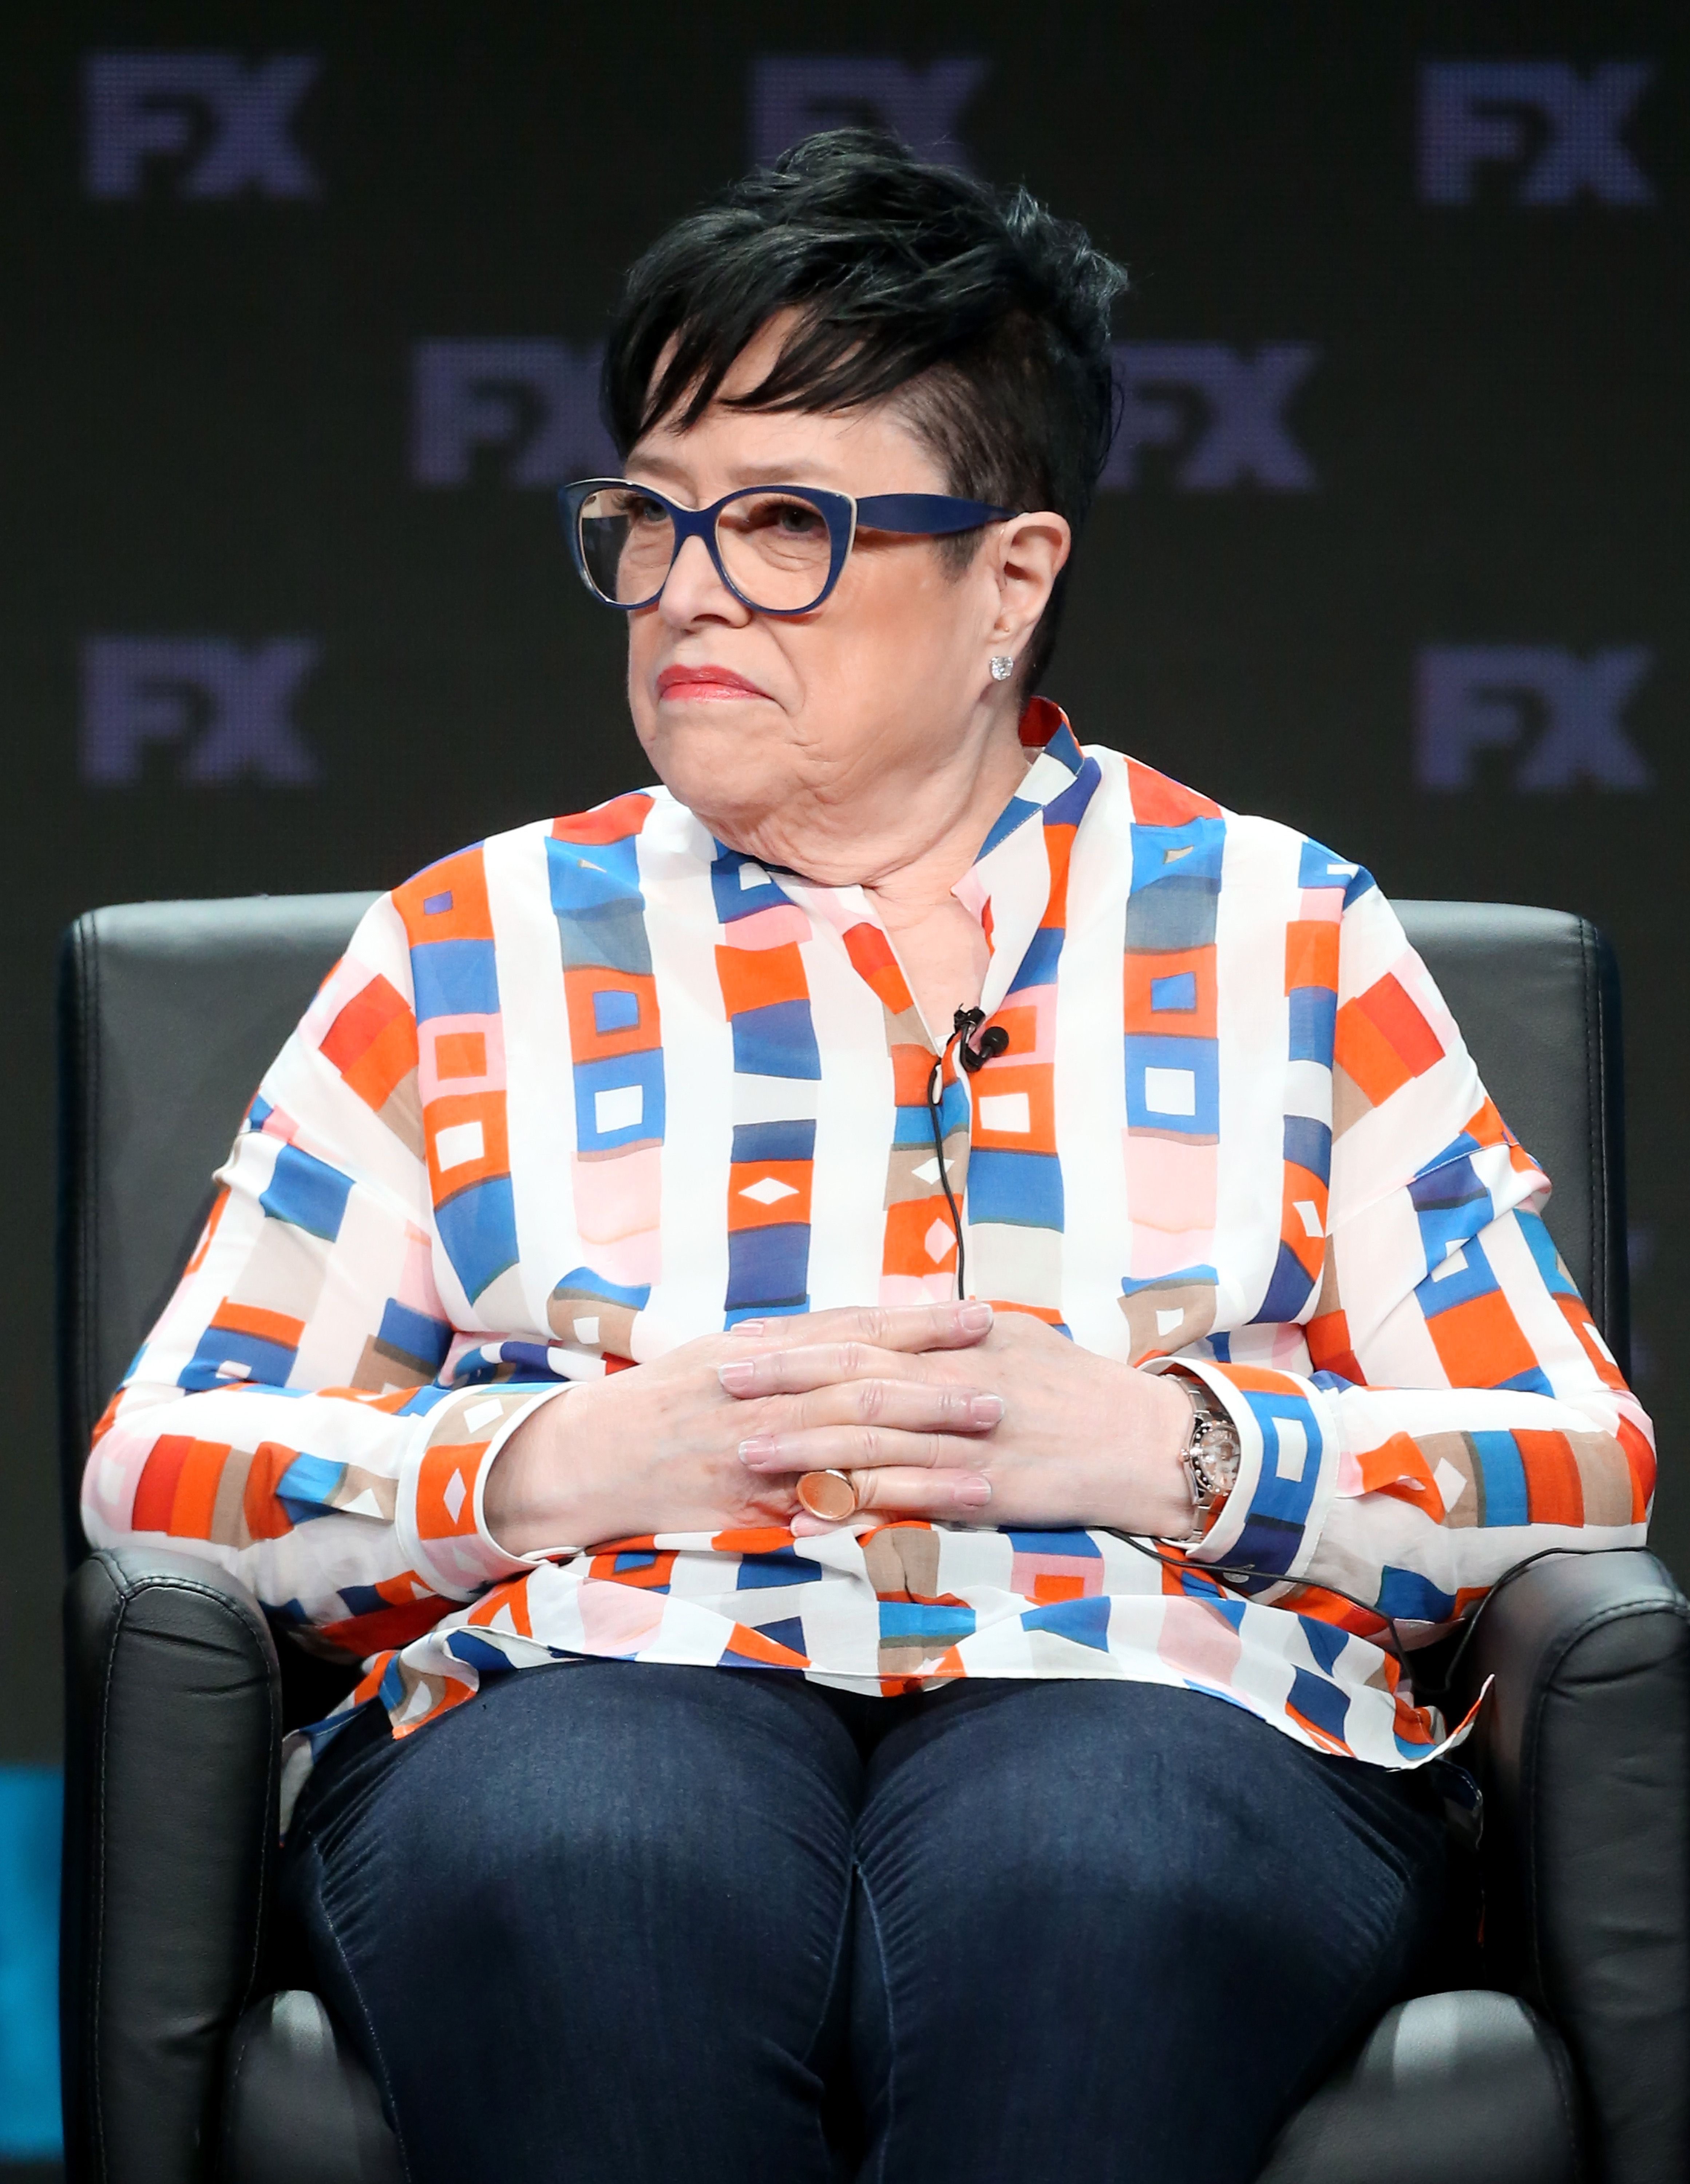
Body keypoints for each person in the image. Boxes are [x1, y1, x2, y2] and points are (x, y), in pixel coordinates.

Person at [83, 133, 1653, 2184]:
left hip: (1155, 1683)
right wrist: (555, 1467)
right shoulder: (462, 948)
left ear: (1008, 577)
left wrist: (1164, 1453)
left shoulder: (1281, 933)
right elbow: (165, 1461)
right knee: (599, 1863)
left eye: (786, 526)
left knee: (1084, 1869)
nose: (687, 595)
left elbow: (1572, 1450)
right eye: (646, 524)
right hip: (593, 1670)